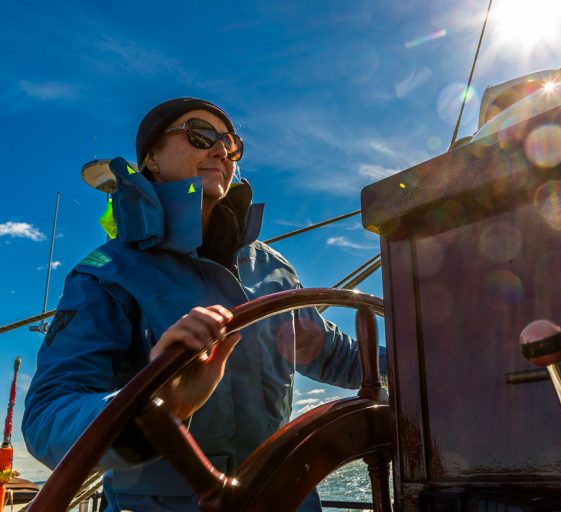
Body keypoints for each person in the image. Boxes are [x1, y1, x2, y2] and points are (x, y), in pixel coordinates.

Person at [22, 98, 381, 511]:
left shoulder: (272, 266)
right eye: (200, 134)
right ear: (151, 159)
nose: (221, 151)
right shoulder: (107, 273)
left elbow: (337, 355)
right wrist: (155, 407)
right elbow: (47, 418)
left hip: (286, 498)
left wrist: (440, 360)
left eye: (231, 143)